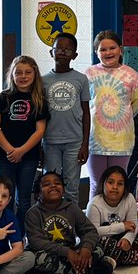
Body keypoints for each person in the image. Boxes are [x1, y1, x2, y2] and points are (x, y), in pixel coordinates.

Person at [0, 55, 49, 226]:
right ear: (12, 75)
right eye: (19, 73)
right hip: (5, 157)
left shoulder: (39, 100)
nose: (23, 77)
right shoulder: (3, 97)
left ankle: (20, 235)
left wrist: (21, 151)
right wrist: (10, 150)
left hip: (28, 158)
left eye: (28, 72)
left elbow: (40, 131)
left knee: (23, 200)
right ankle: (4, 234)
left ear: (35, 74)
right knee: (3, 197)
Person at [25, 171, 115, 274]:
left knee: (99, 245)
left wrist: (85, 249)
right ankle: (89, 271)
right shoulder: (33, 213)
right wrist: (66, 252)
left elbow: (90, 231)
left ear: (63, 190)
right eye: (46, 184)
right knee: (37, 259)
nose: (53, 185)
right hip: (49, 252)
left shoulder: (72, 208)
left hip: (71, 251)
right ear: (38, 194)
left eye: (57, 183)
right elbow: (36, 242)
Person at [85, 30, 138, 198]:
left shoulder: (132, 75)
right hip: (95, 138)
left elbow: (137, 103)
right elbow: (84, 105)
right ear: (96, 52)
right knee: (97, 184)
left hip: (122, 140)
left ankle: (117, 223)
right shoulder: (88, 74)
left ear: (121, 49)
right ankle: (93, 224)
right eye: (102, 49)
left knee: (117, 185)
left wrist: (121, 118)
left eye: (112, 48)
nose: (108, 52)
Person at [86, 165, 138, 266]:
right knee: (105, 244)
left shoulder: (129, 198)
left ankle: (117, 257)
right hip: (104, 240)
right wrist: (122, 226)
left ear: (125, 186)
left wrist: (128, 240)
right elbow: (93, 232)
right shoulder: (94, 204)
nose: (115, 187)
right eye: (110, 182)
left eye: (120, 184)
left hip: (121, 239)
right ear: (103, 183)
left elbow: (134, 226)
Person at [42, 32, 91, 204]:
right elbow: (39, 115)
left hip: (75, 142)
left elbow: (86, 112)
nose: (63, 52)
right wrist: (40, 144)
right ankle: (50, 220)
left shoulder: (81, 79)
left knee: (71, 187)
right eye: (59, 48)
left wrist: (85, 143)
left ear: (75, 55)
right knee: (50, 184)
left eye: (68, 50)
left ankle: (71, 225)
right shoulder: (42, 81)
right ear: (51, 52)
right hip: (50, 142)